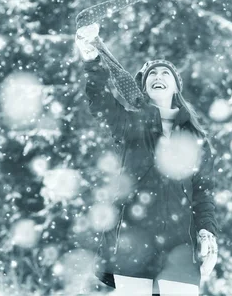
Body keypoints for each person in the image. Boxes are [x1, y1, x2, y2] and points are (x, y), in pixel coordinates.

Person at [76, 24, 219, 296]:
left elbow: (203, 193)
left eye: (166, 72)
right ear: (144, 87)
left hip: (181, 246)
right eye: (152, 73)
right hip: (134, 240)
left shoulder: (195, 138)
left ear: (176, 86)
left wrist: (206, 233)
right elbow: (101, 104)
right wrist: (91, 59)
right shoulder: (131, 125)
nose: (158, 75)